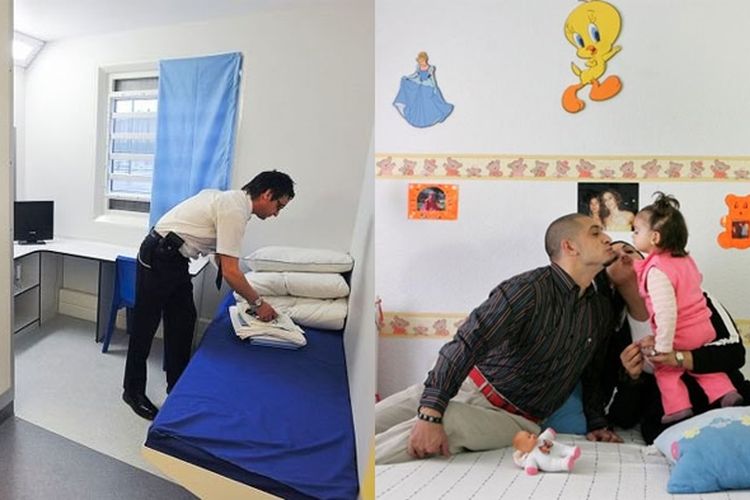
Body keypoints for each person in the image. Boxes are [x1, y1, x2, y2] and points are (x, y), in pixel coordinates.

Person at [375, 213, 621, 464]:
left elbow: (592, 373)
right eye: (595, 233)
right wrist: (431, 407)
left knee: (446, 422)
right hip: (466, 386)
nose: (607, 238)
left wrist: (597, 422)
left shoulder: (600, 311)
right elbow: (468, 342)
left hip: (512, 419)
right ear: (569, 246)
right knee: (366, 420)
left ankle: (353, 471)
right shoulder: (527, 290)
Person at [122, 170, 295, 420]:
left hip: (174, 259)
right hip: (158, 255)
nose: (276, 214)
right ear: (267, 194)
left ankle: (177, 385)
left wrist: (242, 288)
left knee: (183, 321)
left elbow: (222, 258)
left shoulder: (232, 203)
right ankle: (132, 392)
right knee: (145, 326)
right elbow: (231, 271)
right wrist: (258, 303)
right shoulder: (234, 208)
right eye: (279, 206)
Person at [604, 240, 750, 443]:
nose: (624, 255)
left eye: (629, 250)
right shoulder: (615, 330)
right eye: (612, 258)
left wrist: (678, 358)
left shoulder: (697, 298)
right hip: (673, 414)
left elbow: (735, 353)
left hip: (729, 396)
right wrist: (632, 378)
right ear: (608, 281)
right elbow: (624, 416)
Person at [630, 192, 742, 424]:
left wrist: (663, 347)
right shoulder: (685, 261)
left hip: (680, 334)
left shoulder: (656, 270)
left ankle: (678, 408)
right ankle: (726, 393)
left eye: (636, 231)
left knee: (666, 370)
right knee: (706, 369)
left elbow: (666, 312)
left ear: (654, 237)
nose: (633, 235)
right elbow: (695, 287)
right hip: (703, 330)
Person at [393, 51, 454, 128]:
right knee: (416, 100)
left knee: (429, 101)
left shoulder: (430, 68)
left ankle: (432, 114)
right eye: (420, 61)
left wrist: (434, 87)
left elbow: (432, 79)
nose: (421, 62)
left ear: (425, 59)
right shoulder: (418, 67)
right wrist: (408, 78)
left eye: (422, 60)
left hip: (427, 85)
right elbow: (415, 74)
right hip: (419, 84)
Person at [512, 428, 581, 475]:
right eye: (529, 437)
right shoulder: (531, 456)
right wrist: (531, 469)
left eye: (530, 434)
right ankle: (564, 463)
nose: (532, 435)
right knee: (553, 463)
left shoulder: (540, 439)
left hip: (554, 448)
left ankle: (571, 451)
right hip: (549, 460)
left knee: (561, 448)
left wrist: (549, 432)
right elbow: (530, 464)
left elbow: (545, 435)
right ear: (525, 446)